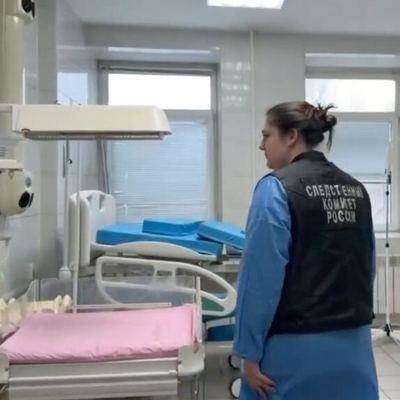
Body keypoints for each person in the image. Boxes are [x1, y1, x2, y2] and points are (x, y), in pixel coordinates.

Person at [233, 101, 378, 400]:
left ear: (291, 136)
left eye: (267, 135)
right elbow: (368, 266)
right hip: (354, 346)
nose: (261, 145)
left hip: (293, 348)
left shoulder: (275, 189)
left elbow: (259, 282)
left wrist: (248, 353)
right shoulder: (356, 189)